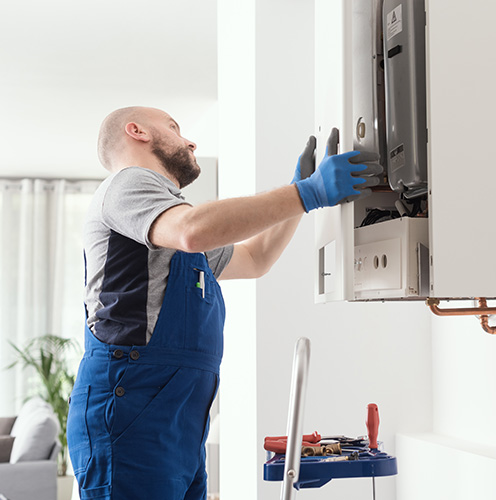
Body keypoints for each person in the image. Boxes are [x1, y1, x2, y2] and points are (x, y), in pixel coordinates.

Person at [66, 106, 381, 500]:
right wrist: (306, 193)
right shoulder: (129, 183)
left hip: (178, 423)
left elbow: (254, 260)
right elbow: (193, 230)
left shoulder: (166, 230)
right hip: (131, 418)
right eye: (175, 127)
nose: (190, 141)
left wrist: (302, 196)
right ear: (137, 131)